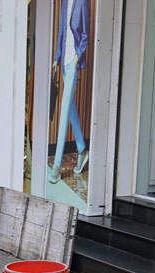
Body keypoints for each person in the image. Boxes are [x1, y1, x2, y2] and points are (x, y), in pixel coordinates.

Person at [48, 0, 90, 184]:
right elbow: (62, 31)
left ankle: (56, 165)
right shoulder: (65, 2)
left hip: (73, 59)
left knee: (65, 108)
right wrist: (57, 57)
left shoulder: (83, 2)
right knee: (70, 106)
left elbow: (86, 34)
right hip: (64, 60)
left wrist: (78, 57)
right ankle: (81, 149)